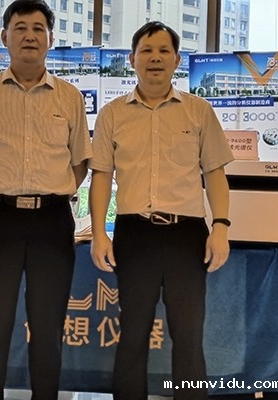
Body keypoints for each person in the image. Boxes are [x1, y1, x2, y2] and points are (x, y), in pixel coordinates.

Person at [0, 1, 92, 399]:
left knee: (48, 328)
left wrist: (56, 192)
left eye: (38, 28)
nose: (29, 35)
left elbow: (80, 162)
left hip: (52, 222)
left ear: (50, 38)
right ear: (5, 37)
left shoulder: (69, 97)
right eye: (20, 27)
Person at [89, 21, 234, 400]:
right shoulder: (112, 114)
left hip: (187, 235)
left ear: (177, 60)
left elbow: (215, 174)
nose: (155, 58)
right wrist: (99, 233)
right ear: (132, 59)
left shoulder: (199, 111)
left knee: (188, 334)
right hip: (134, 234)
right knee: (133, 332)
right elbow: (101, 177)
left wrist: (220, 226)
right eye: (147, 50)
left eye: (164, 50)